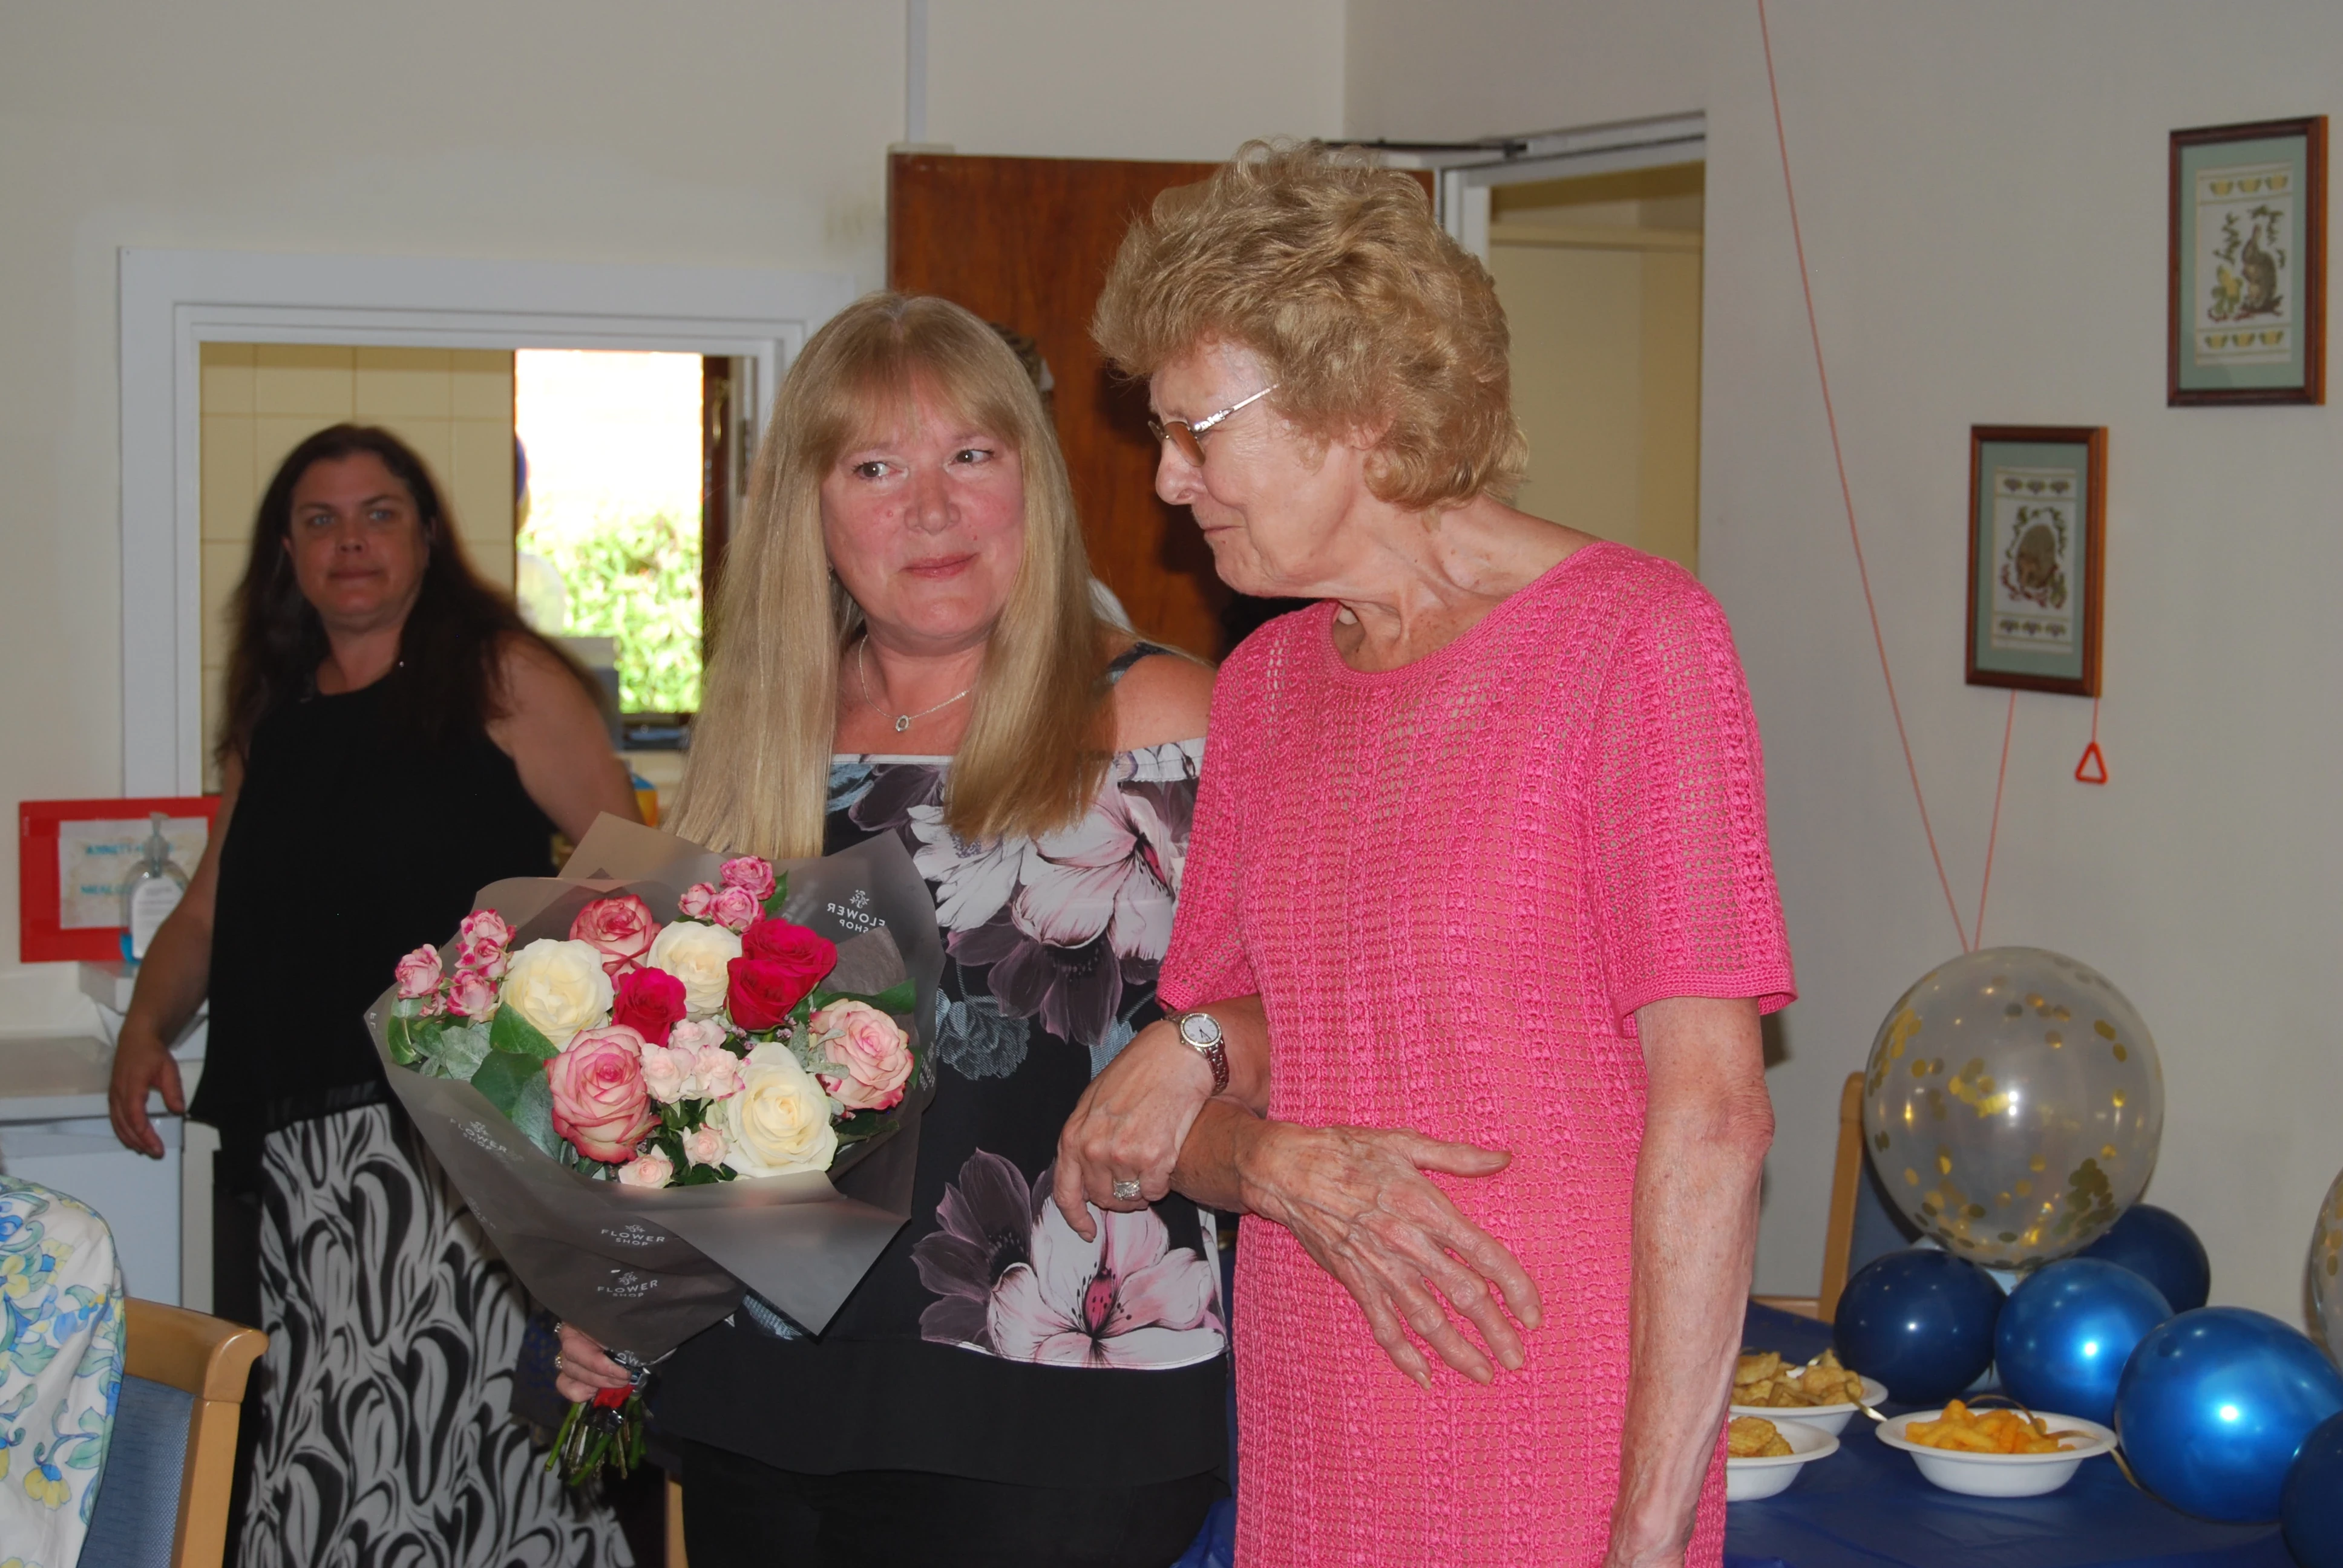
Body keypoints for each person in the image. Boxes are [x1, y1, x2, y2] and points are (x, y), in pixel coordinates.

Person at [1058, 143, 1795, 1566]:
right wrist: (1247, 1124)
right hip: (1319, 1410)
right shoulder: (1268, 687)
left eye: (1198, 432)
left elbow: (1715, 1120)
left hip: (1563, 1401)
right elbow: (1210, 1127)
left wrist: (1643, 1535)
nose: (1165, 480)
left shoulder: (1632, 641)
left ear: (1356, 409)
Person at [552, 293, 1227, 1568]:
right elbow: (690, 1088)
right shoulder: (765, 742)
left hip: (1060, 1404)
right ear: (810, 512)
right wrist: (621, 1285)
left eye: (972, 455)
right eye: (875, 467)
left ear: (1034, 480)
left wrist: (1202, 1044)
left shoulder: (1159, 716)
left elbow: (1325, 1006)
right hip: (767, 1395)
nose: (932, 509)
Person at [108, 423, 640, 1568]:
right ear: (288, 554)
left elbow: (628, 878)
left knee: (458, 1431)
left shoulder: (503, 681)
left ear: (428, 537)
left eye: (379, 513)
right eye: (320, 520)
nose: (350, 541)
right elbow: (209, 908)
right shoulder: (277, 724)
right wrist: (147, 1027)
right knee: (334, 1423)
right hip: (308, 1155)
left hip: (463, 1139)